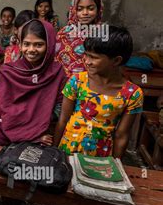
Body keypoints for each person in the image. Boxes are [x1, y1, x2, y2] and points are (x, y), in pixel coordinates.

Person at [54, 26, 143, 157]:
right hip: (68, 151)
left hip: (101, 157)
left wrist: (116, 165)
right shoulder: (77, 81)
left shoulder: (133, 94)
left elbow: (121, 135)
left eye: (93, 57)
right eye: (86, 55)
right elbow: (63, 120)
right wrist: (55, 152)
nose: (86, 61)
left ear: (116, 60)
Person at [0, 19, 66, 146]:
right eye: (26, 44)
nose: (31, 50)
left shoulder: (57, 72)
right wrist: (32, 135)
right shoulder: (7, 73)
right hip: (10, 139)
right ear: (20, 44)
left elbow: (60, 106)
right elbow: (5, 109)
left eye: (38, 45)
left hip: (46, 136)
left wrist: (41, 127)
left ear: (49, 45)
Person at [56, 0, 104, 76]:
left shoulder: (104, 34)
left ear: (98, 9)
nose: (85, 13)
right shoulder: (63, 34)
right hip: (65, 84)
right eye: (79, 9)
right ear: (74, 10)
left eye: (91, 8)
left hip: (93, 85)